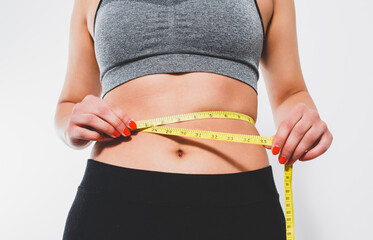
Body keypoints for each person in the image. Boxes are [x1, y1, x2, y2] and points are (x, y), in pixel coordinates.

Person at [54, 0, 333, 239]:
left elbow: (290, 93)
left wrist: (304, 121)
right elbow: (70, 102)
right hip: (114, 197)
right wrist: (71, 124)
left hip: (240, 199)